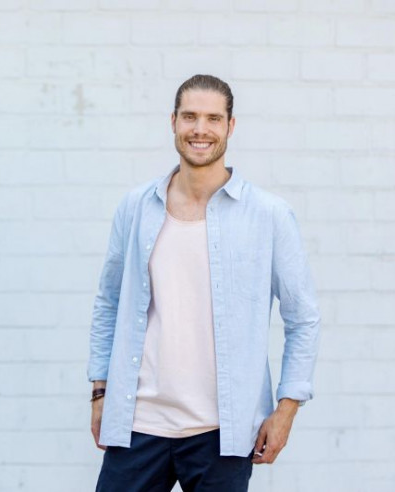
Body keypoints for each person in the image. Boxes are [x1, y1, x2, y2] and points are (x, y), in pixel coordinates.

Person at [87, 74, 321, 492]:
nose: (200, 129)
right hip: (138, 423)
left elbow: (302, 319)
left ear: (230, 126)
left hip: (223, 432)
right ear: (173, 122)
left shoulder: (268, 215)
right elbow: (109, 301)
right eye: (190, 116)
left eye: (213, 118)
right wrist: (100, 392)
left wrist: (286, 410)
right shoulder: (136, 207)